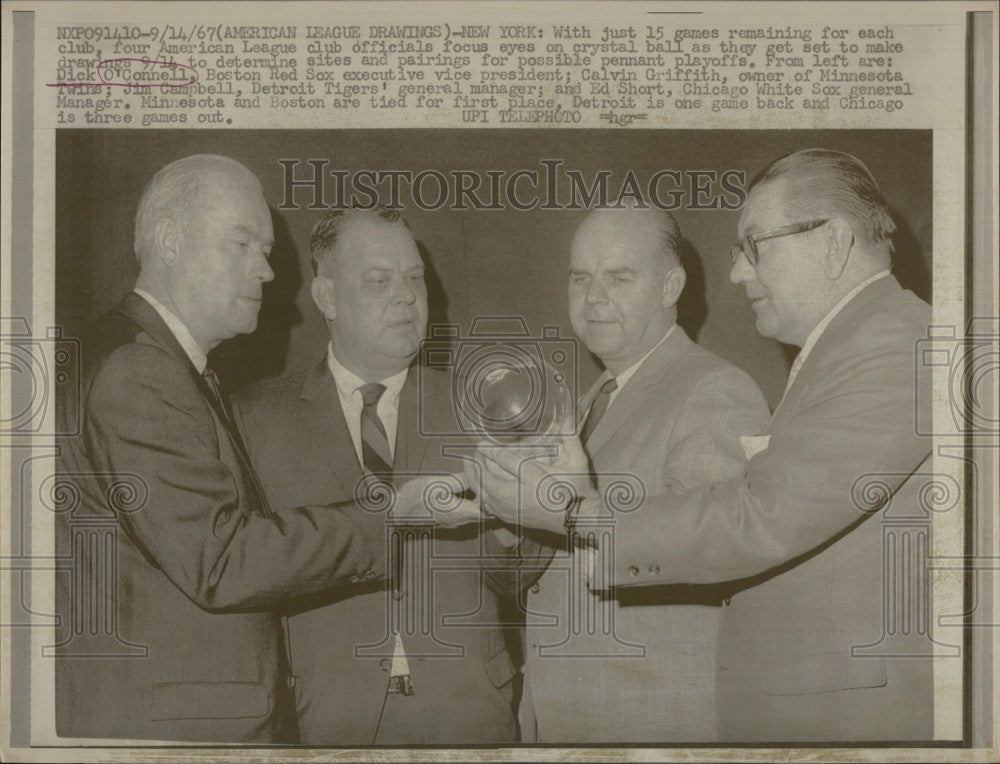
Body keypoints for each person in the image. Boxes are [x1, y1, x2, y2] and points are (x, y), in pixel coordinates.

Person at [476, 149, 934, 742]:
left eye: (754, 246)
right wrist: (516, 512)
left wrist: (569, 510)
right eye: (580, 277)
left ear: (834, 242)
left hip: (815, 714)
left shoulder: (893, 341)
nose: (739, 272)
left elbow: (757, 518)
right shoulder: (854, 343)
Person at [53, 156, 465, 743]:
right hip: (180, 724)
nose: (267, 271)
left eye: (265, 248)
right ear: (169, 243)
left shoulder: (159, 363)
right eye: (241, 244)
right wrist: (395, 514)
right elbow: (220, 561)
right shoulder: (139, 372)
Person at [233, 207, 537, 744]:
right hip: (322, 716)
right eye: (378, 281)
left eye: (415, 278)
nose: (406, 296)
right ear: (327, 297)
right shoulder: (254, 419)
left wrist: (516, 526)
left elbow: (517, 579)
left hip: (469, 713)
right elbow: (242, 573)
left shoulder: (482, 405)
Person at [506, 205, 769, 743]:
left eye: (619, 277)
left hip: (653, 720)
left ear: (671, 286)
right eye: (580, 277)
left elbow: (705, 551)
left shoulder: (714, 388)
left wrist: (563, 509)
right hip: (564, 712)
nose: (593, 297)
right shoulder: (584, 404)